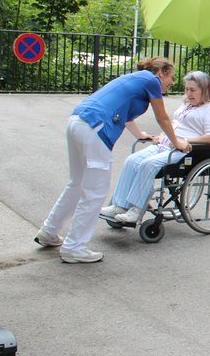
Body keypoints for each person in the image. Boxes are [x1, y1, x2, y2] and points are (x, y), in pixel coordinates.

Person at [36, 57, 188, 263]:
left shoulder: (134, 78)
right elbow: (162, 118)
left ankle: (49, 231)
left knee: (77, 184)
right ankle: (74, 247)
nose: (171, 83)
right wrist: (176, 142)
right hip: (96, 129)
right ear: (161, 72)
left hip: (78, 121)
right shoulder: (152, 80)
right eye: (171, 77)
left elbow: (124, 115)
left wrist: (140, 134)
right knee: (95, 192)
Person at [101, 71, 210, 224]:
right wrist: (162, 135)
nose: (188, 93)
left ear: (204, 90)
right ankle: (119, 205)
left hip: (184, 150)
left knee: (147, 165)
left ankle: (136, 210)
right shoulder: (187, 106)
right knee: (132, 160)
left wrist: (182, 140)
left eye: (193, 90)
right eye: (186, 89)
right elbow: (175, 125)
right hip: (166, 144)